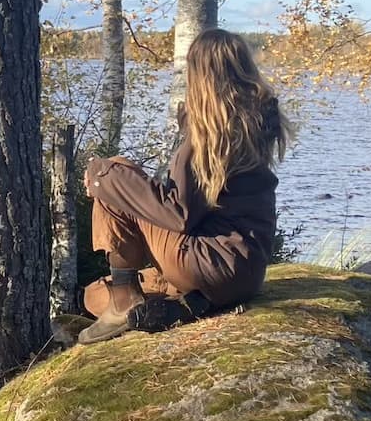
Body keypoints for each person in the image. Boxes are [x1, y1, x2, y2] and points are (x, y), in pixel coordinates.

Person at [79, 28, 293, 344]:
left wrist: (101, 176)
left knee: (116, 171)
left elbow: (177, 213)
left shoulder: (208, 136)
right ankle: (187, 305)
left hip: (203, 263)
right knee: (94, 293)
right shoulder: (255, 125)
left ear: (200, 75)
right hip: (246, 274)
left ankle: (125, 302)